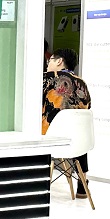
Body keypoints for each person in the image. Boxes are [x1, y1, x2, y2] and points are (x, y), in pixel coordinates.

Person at [42, 48, 91, 198]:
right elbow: (87, 107)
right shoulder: (81, 83)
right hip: (77, 143)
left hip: (49, 138)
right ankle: (83, 183)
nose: (48, 63)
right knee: (78, 128)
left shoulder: (46, 79)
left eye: (50, 60)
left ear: (59, 61)